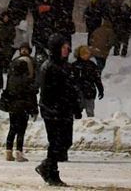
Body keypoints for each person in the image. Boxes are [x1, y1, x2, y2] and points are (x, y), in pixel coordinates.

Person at [36, 34, 78, 187]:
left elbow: (71, 88)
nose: (67, 49)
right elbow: (47, 92)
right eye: (64, 46)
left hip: (65, 109)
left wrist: (75, 105)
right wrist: (52, 109)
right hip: (52, 110)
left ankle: (46, 166)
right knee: (56, 142)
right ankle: (51, 171)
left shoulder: (66, 66)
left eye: (67, 46)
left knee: (66, 142)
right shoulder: (49, 67)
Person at [0, 54, 38, 162]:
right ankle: (19, 152)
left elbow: (7, 92)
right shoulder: (27, 80)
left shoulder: (11, 79)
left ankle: (8, 151)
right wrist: (34, 109)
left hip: (13, 107)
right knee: (21, 130)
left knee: (12, 129)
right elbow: (31, 95)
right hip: (23, 107)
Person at [70, 46, 104, 118]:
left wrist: (100, 89)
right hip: (77, 92)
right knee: (76, 111)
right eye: (84, 54)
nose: (86, 56)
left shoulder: (92, 65)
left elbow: (97, 78)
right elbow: (70, 79)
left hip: (89, 91)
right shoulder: (74, 66)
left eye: (88, 54)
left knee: (90, 110)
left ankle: (91, 123)